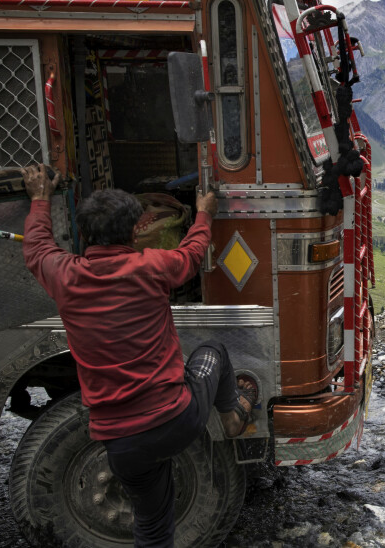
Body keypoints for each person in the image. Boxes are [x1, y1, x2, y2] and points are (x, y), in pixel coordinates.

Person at [20, 164, 254, 547]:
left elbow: (37, 246)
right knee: (214, 351)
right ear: (135, 231)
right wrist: (204, 212)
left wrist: (40, 198)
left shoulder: (64, 275)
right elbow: (193, 253)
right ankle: (231, 418)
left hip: (122, 444)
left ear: (83, 234)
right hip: (177, 418)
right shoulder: (153, 266)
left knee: (152, 525)